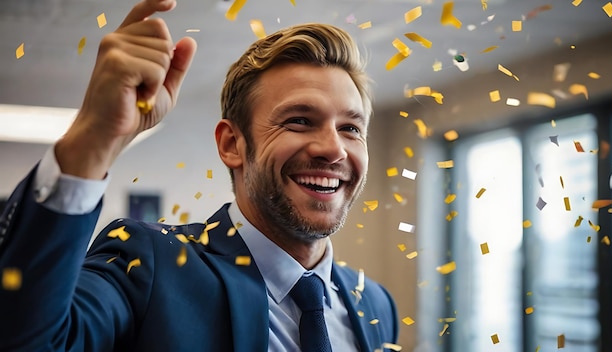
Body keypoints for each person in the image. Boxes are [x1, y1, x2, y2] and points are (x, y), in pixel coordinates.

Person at [0, 0, 398, 350]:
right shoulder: (149, 262)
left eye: (351, 128)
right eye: (299, 121)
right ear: (231, 145)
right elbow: (29, 340)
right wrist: (94, 136)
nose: (332, 149)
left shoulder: (375, 304)